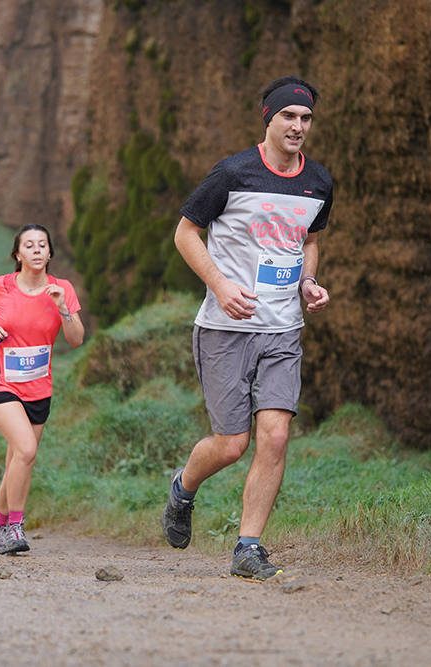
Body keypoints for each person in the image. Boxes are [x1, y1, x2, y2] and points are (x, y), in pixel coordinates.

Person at [160, 75, 333, 580]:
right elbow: (185, 232)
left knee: (275, 436)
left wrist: (309, 282)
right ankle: (182, 488)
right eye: (289, 117)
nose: (298, 126)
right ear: (269, 118)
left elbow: (309, 240)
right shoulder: (232, 173)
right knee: (232, 444)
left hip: (282, 327)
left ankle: (248, 548)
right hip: (225, 328)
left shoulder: (318, 181)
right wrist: (219, 284)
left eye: (305, 119)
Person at [0, 224, 84, 554]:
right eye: (28, 245)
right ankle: (15, 527)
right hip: (0, 385)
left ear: (49, 253)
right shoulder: (2, 286)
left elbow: (76, 340)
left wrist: (62, 307)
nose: (36, 249)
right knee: (26, 450)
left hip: (38, 389)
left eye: (42, 244)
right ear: (18, 254)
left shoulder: (62, 289)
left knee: (19, 460)